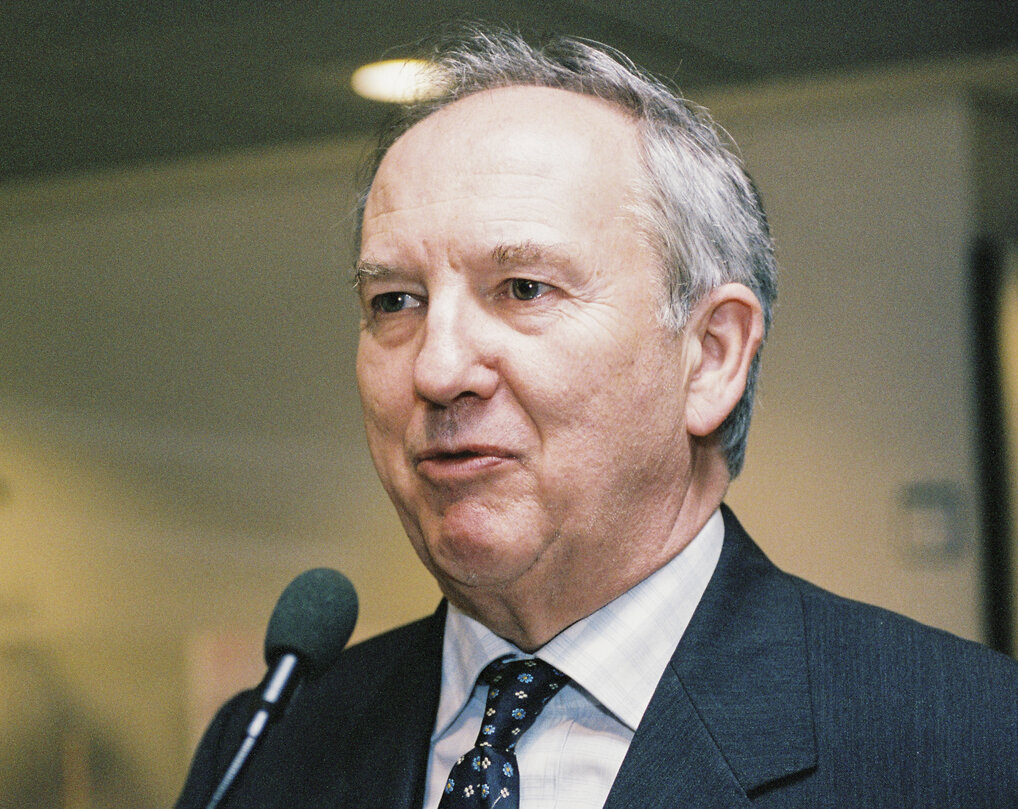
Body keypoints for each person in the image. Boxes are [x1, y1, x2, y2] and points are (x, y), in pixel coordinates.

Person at [174, 26, 1018, 809]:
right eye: (395, 300)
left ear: (712, 356)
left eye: (525, 290)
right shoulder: (269, 749)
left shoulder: (967, 746)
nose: (436, 368)